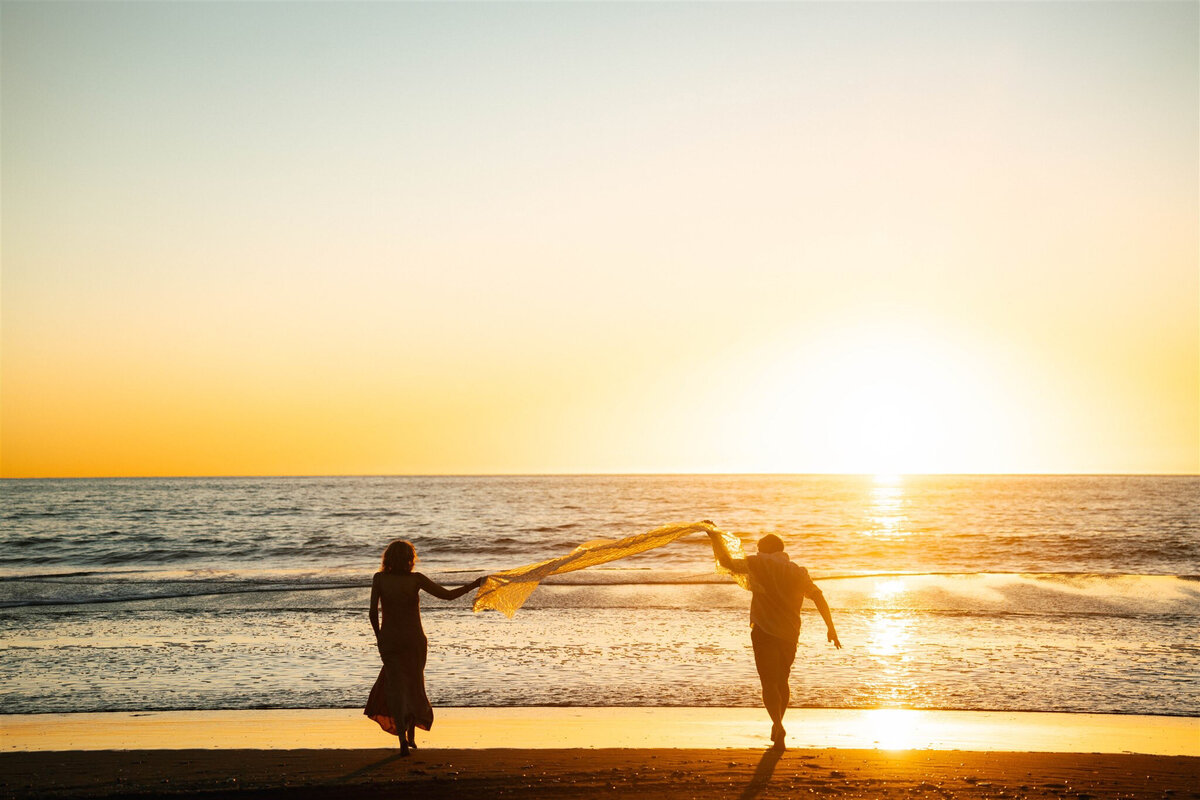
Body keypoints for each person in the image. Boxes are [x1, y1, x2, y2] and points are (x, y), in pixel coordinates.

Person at [706, 529, 841, 749]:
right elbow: (818, 596)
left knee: (768, 682)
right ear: (782, 550)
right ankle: (778, 723)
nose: (757, 553)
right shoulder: (797, 572)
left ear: (764, 550)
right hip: (789, 633)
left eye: (759, 549)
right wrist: (831, 628)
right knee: (782, 681)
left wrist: (715, 538)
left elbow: (726, 562)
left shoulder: (756, 564)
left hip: (764, 631)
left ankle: (777, 724)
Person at [364, 539, 484, 756]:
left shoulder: (379, 579)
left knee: (396, 689)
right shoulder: (415, 580)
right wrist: (473, 585)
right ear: (410, 560)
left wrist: (379, 637)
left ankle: (403, 740)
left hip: (390, 640)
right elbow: (447, 596)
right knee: (413, 685)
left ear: (388, 558)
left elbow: (373, 613)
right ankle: (411, 735)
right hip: (414, 640)